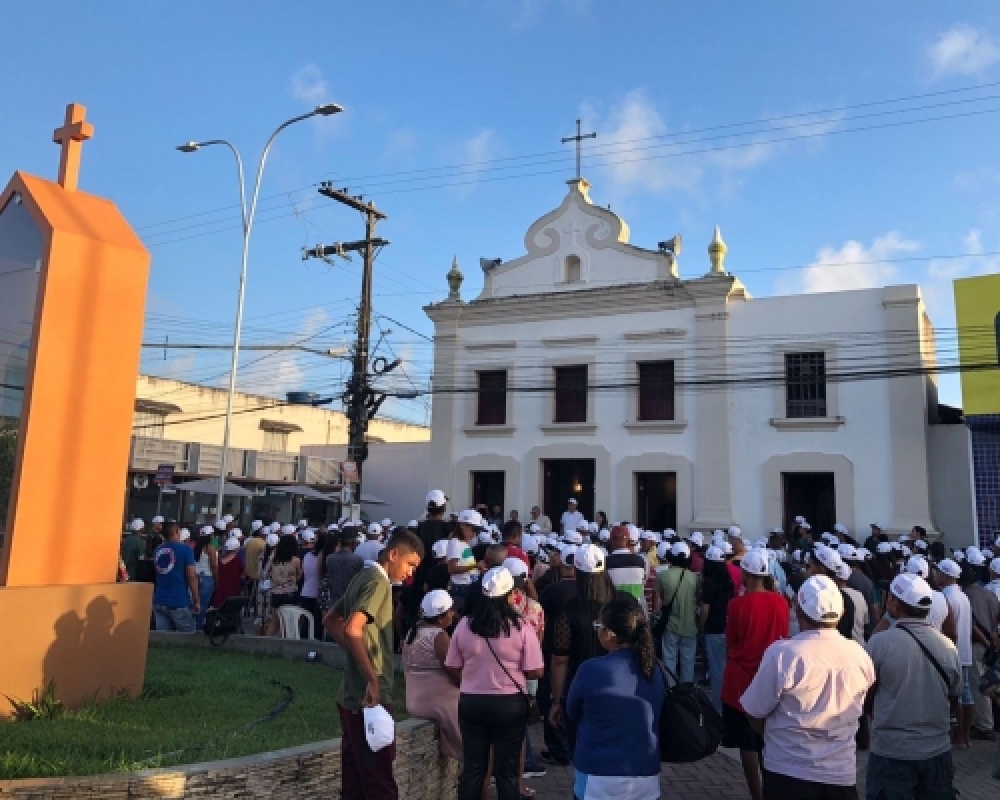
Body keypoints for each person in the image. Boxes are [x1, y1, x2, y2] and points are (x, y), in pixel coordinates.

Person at [741, 575, 875, 800]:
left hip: (788, 770)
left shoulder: (783, 653)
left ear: (798, 610)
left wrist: (776, 735)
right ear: (841, 613)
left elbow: (754, 712)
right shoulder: (860, 655)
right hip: (840, 774)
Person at [325, 528, 425, 800]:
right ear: (393, 554)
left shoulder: (363, 576)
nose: (410, 574)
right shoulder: (378, 582)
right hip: (369, 699)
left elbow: (331, 621)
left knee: (355, 783)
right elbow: (353, 629)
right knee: (380, 784)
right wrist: (371, 676)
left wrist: (358, 658)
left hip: (351, 695)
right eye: (410, 565)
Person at [445, 566, 545, 800]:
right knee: (507, 771)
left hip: (472, 701)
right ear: (510, 595)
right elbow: (536, 670)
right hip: (509, 704)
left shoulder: (465, 624)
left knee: (473, 767)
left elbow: (451, 664)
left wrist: (471, 678)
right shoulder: (520, 627)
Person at [864, 573, 962, 800]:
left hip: (892, 752)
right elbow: (953, 697)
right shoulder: (948, 646)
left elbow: (866, 696)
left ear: (896, 604)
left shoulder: (879, 643)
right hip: (936, 749)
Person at [565, 596, 666, 800]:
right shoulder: (655, 670)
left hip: (597, 776)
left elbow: (571, 711)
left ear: (610, 634)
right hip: (646, 775)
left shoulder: (590, 669)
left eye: (598, 626)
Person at [721, 548, 789, 800]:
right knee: (769, 739)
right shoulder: (781, 602)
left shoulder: (737, 604)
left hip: (742, 678)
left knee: (746, 742)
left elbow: (731, 640)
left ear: (746, 573)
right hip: (772, 675)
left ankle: (756, 794)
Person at [548, 545, 614, 749]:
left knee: (583, 747)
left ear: (576, 572)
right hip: (618, 684)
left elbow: (560, 659)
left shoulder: (569, 610)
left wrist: (556, 700)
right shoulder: (624, 603)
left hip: (579, 686)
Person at [402, 589, 461, 759]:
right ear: (440, 618)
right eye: (450, 611)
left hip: (415, 702)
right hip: (440, 704)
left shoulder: (412, 633)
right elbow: (455, 672)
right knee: (479, 746)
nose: (453, 614)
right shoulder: (438, 636)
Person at [934, 558, 975, 747]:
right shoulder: (962, 596)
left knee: (955, 695)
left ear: (945, 575)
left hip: (952, 651)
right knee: (966, 693)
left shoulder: (946, 597)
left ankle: (959, 736)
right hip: (964, 651)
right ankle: (965, 737)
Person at [961, 558, 999, 740]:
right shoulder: (989, 595)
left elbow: (971, 626)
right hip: (991, 645)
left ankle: (984, 726)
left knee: (980, 687)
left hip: (976, 644)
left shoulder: (966, 597)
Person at [655, 540, 701, 685]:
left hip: (670, 625)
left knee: (669, 661)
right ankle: (686, 693)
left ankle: (671, 691)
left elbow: (657, 604)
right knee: (688, 662)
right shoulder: (695, 578)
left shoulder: (662, 576)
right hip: (690, 626)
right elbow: (697, 600)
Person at [700, 544, 735, 711]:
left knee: (716, 670)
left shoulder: (709, 583)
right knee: (725, 667)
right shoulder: (727, 580)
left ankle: (718, 707)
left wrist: (701, 625)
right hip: (726, 627)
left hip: (713, 628)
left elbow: (705, 609)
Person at [151, 521, 199, 632]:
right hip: (179, 600)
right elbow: (191, 576)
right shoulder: (186, 550)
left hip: (159, 599)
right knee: (187, 637)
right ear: (177, 532)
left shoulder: (158, 550)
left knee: (164, 638)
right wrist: (196, 600)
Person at [265, 534, 302, 636]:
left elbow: (268, 573)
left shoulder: (273, 559)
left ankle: (266, 643)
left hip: (276, 592)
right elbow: (299, 576)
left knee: (274, 622)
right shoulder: (296, 560)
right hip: (290, 592)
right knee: (286, 623)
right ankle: (284, 644)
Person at [606, 524, 648, 607]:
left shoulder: (605, 562)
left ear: (611, 541)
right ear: (628, 540)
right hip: (635, 611)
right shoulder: (640, 561)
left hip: (613, 611)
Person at [448, 509, 485, 603]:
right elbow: (452, 569)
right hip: (461, 589)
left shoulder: (465, 543)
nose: (475, 534)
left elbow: (466, 565)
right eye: (474, 530)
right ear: (462, 525)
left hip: (468, 585)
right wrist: (475, 566)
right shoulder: (455, 543)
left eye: (478, 531)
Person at [326, 530, 365, 610]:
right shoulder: (358, 560)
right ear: (353, 543)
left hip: (334, 601)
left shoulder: (329, 558)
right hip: (351, 602)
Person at [299, 531, 324, 639]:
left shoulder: (307, 555)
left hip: (306, 591)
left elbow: (304, 573)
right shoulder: (321, 556)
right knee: (317, 625)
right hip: (316, 593)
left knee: (306, 623)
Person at [192, 528, 217, 629]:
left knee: (195, 603)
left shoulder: (196, 547)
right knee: (203, 604)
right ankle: (198, 627)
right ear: (210, 535)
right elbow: (214, 566)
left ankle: (193, 625)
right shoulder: (210, 548)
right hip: (207, 577)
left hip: (196, 576)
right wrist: (216, 578)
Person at [212, 537, 243, 608]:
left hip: (220, 591)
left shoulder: (219, 561)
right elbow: (243, 574)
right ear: (236, 549)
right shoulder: (237, 561)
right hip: (233, 591)